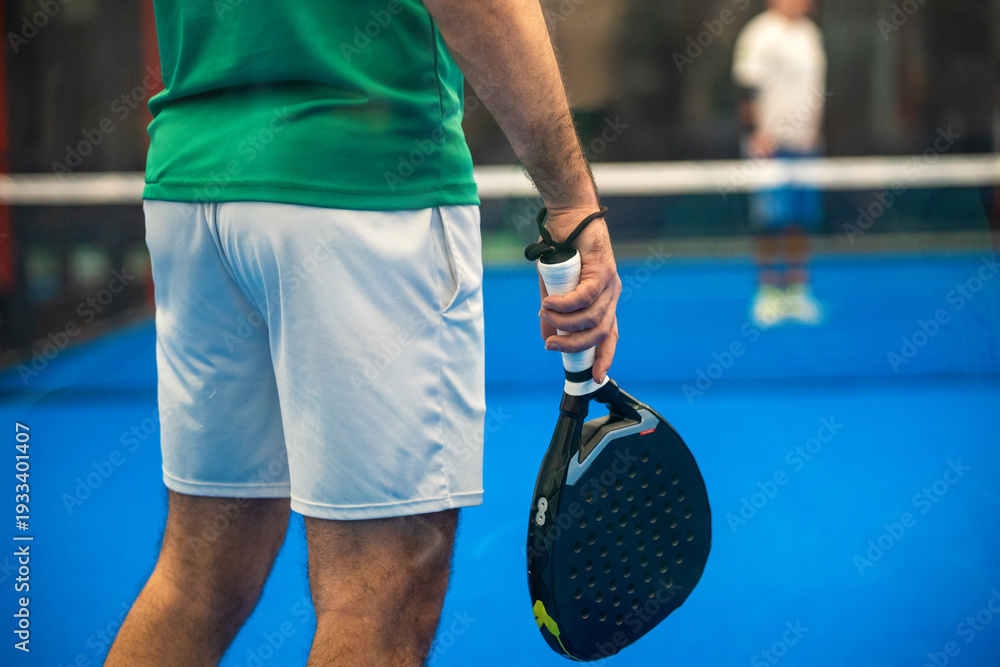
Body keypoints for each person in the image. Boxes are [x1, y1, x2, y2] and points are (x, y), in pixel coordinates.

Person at [105, 1, 621, 665]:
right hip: (364, 188)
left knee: (196, 581)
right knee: (379, 594)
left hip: (193, 181)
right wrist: (573, 198)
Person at [732, 0, 826, 327]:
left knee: (801, 219)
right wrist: (756, 134)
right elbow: (747, 90)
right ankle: (769, 293)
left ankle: (798, 291)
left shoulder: (810, 34)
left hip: (805, 146)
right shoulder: (758, 34)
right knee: (769, 220)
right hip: (768, 147)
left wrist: (813, 131)